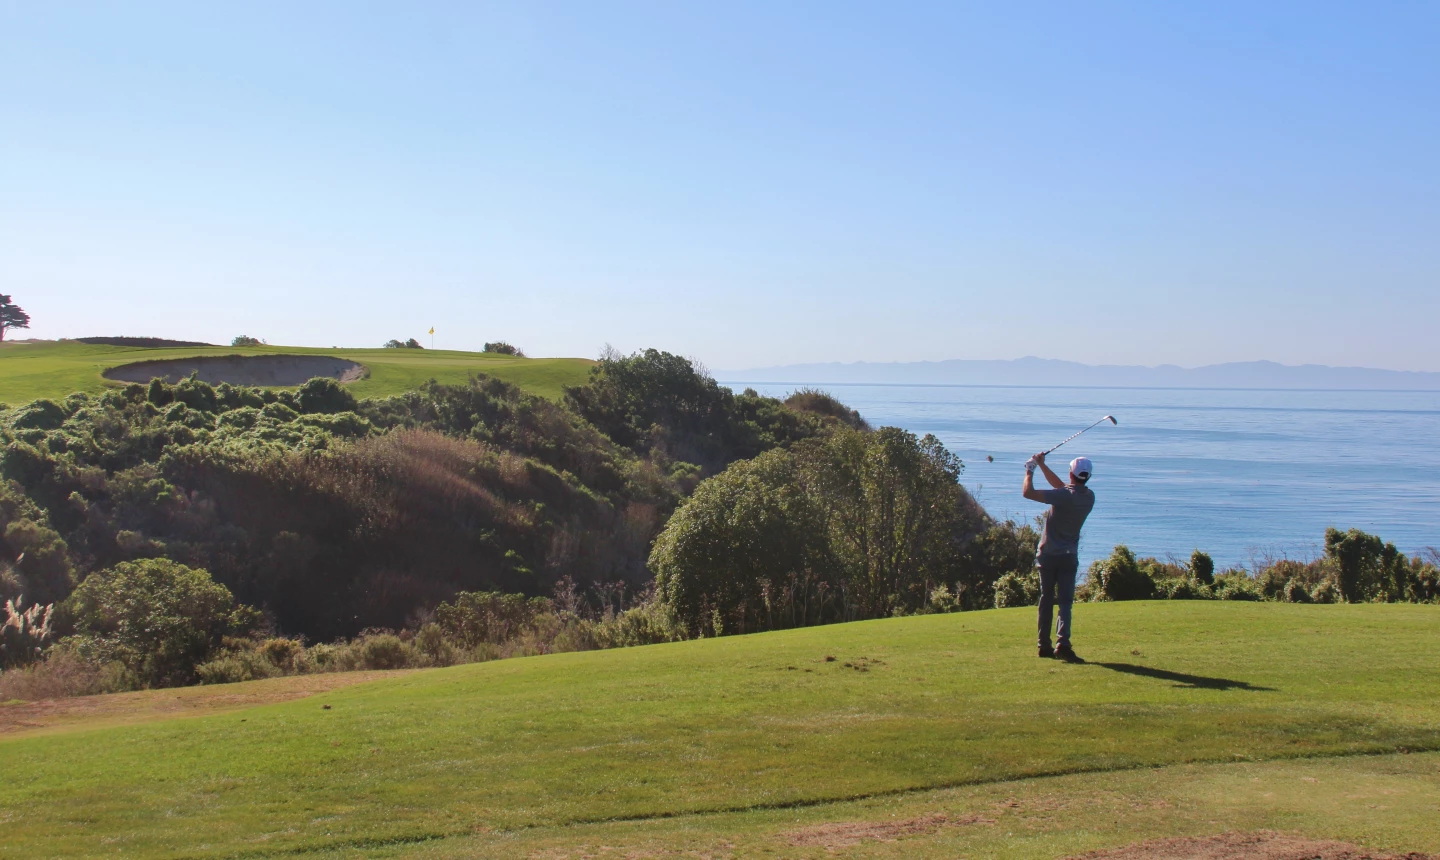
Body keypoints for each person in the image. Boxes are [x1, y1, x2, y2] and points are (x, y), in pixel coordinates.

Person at [1022, 452, 1095, 662]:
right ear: (1087, 477)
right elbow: (1063, 488)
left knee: (1046, 599)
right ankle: (1063, 644)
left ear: (1071, 473)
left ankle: (1043, 645)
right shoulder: (1088, 497)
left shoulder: (1064, 496)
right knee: (1065, 602)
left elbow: (1028, 493)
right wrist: (1043, 466)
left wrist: (1030, 470)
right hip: (1069, 557)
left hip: (1048, 555)